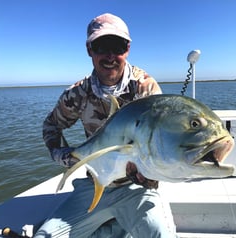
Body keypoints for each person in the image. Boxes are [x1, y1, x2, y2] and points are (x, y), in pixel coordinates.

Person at [35, 13, 177, 238]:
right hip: (94, 185)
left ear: (127, 48)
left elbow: (159, 143)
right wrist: (64, 156)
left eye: (118, 46)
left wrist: (150, 176)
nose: (110, 56)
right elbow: (51, 126)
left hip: (136, 189)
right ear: (89, 49)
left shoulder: (145, 89)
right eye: (102, 46)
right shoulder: (77, 94)